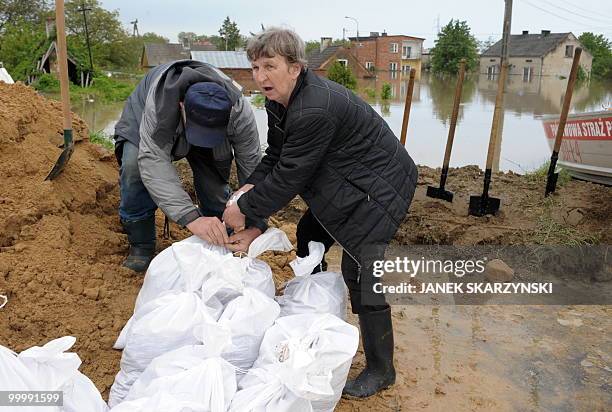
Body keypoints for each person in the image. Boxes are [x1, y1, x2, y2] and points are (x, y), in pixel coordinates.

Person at [223, 28, 418, 398]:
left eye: (270, 66)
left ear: (295, 67)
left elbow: (291, 175)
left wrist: (246, 212)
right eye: (255, 66)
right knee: (311, 232)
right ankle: (314, 311)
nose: (260, 76)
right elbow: (276, 157)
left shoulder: (313, 107)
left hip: (379, 186)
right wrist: (245, 192)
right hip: (347, 178)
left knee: (360, 271)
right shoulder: (279, 100)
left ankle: (381, 369)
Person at [114, 59, 265, 272]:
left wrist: (253, 218)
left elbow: (252, 166)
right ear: (182, 106)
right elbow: (154, 163)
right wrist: (191, 218)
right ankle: (141, 245)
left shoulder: (238, 110)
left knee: (213, 180)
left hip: (205, 120)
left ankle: (223, 234)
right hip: (147, 120)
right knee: (134, 168)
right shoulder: (159, 108)